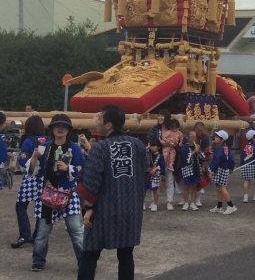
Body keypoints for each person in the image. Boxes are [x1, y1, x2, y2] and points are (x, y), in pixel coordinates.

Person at [76, 104, 148, 280]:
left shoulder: (100, 148)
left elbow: (91, 182)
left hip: (104, 210)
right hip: (131, 209)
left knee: (90, 254)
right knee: (125, 256)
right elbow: (146, 172)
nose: (97, 121)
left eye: (99, 118)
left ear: (108, 125)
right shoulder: (138, 144)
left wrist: (88, 208)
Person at [28, 114, 84, 272]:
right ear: (52, 129)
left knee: (75, 230)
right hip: (47, 194)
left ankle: (85, 262)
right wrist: (33, 156)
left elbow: (81, 169)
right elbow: (33, 171)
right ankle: (38, 260)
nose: (60, 129)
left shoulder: (74, 148)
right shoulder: (44, 147)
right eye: (57, 126)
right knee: (42, 231)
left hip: (68, 193)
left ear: (68, 130)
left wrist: (68, 168)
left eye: (64, 126)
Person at [12, 115, 47, 249]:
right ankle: (37, 234)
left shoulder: (28, 141)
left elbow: (23, 160)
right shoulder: (49, 140)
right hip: (45, 179)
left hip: (31, 178)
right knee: (41, 207)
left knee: (21, 206)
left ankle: (24, 234)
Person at [208, 130, 237, 215]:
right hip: (225, 169)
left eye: (217, 137)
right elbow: (232, 159)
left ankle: (231, 205)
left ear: (222, 139)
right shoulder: (226, 148)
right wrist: (231, 168)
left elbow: (216, 160)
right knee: (219, 188)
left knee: (222, 188)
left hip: (219, 169)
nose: (215, 138)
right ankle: (219, 206)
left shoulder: (219, 149)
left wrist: (210, 170)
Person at [181, 131, 204, 211]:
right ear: (187, 137)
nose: (193, 139)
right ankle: (186, 203)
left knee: (194, 186)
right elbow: (185, 159)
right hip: (187, 169)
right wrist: (194, 151)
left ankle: (193, 203)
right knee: (186, 186)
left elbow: (203, 157)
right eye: (192, 137)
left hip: (196, 169)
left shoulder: (196, 146)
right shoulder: (184, 147)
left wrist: (199, 150)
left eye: (195, 137)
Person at [143, 141, 165, 212]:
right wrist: (146, 148)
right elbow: (141, 155)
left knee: (155, 190)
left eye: (154, 146)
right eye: (151, 146)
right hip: (147, 173)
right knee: (144, 189)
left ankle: (155, 204)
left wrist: (156, 168)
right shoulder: (147, 154)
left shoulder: (161, 156)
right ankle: (142, 203)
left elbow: (162, 167)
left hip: (155, 174)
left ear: (158, 147)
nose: (152, 147)